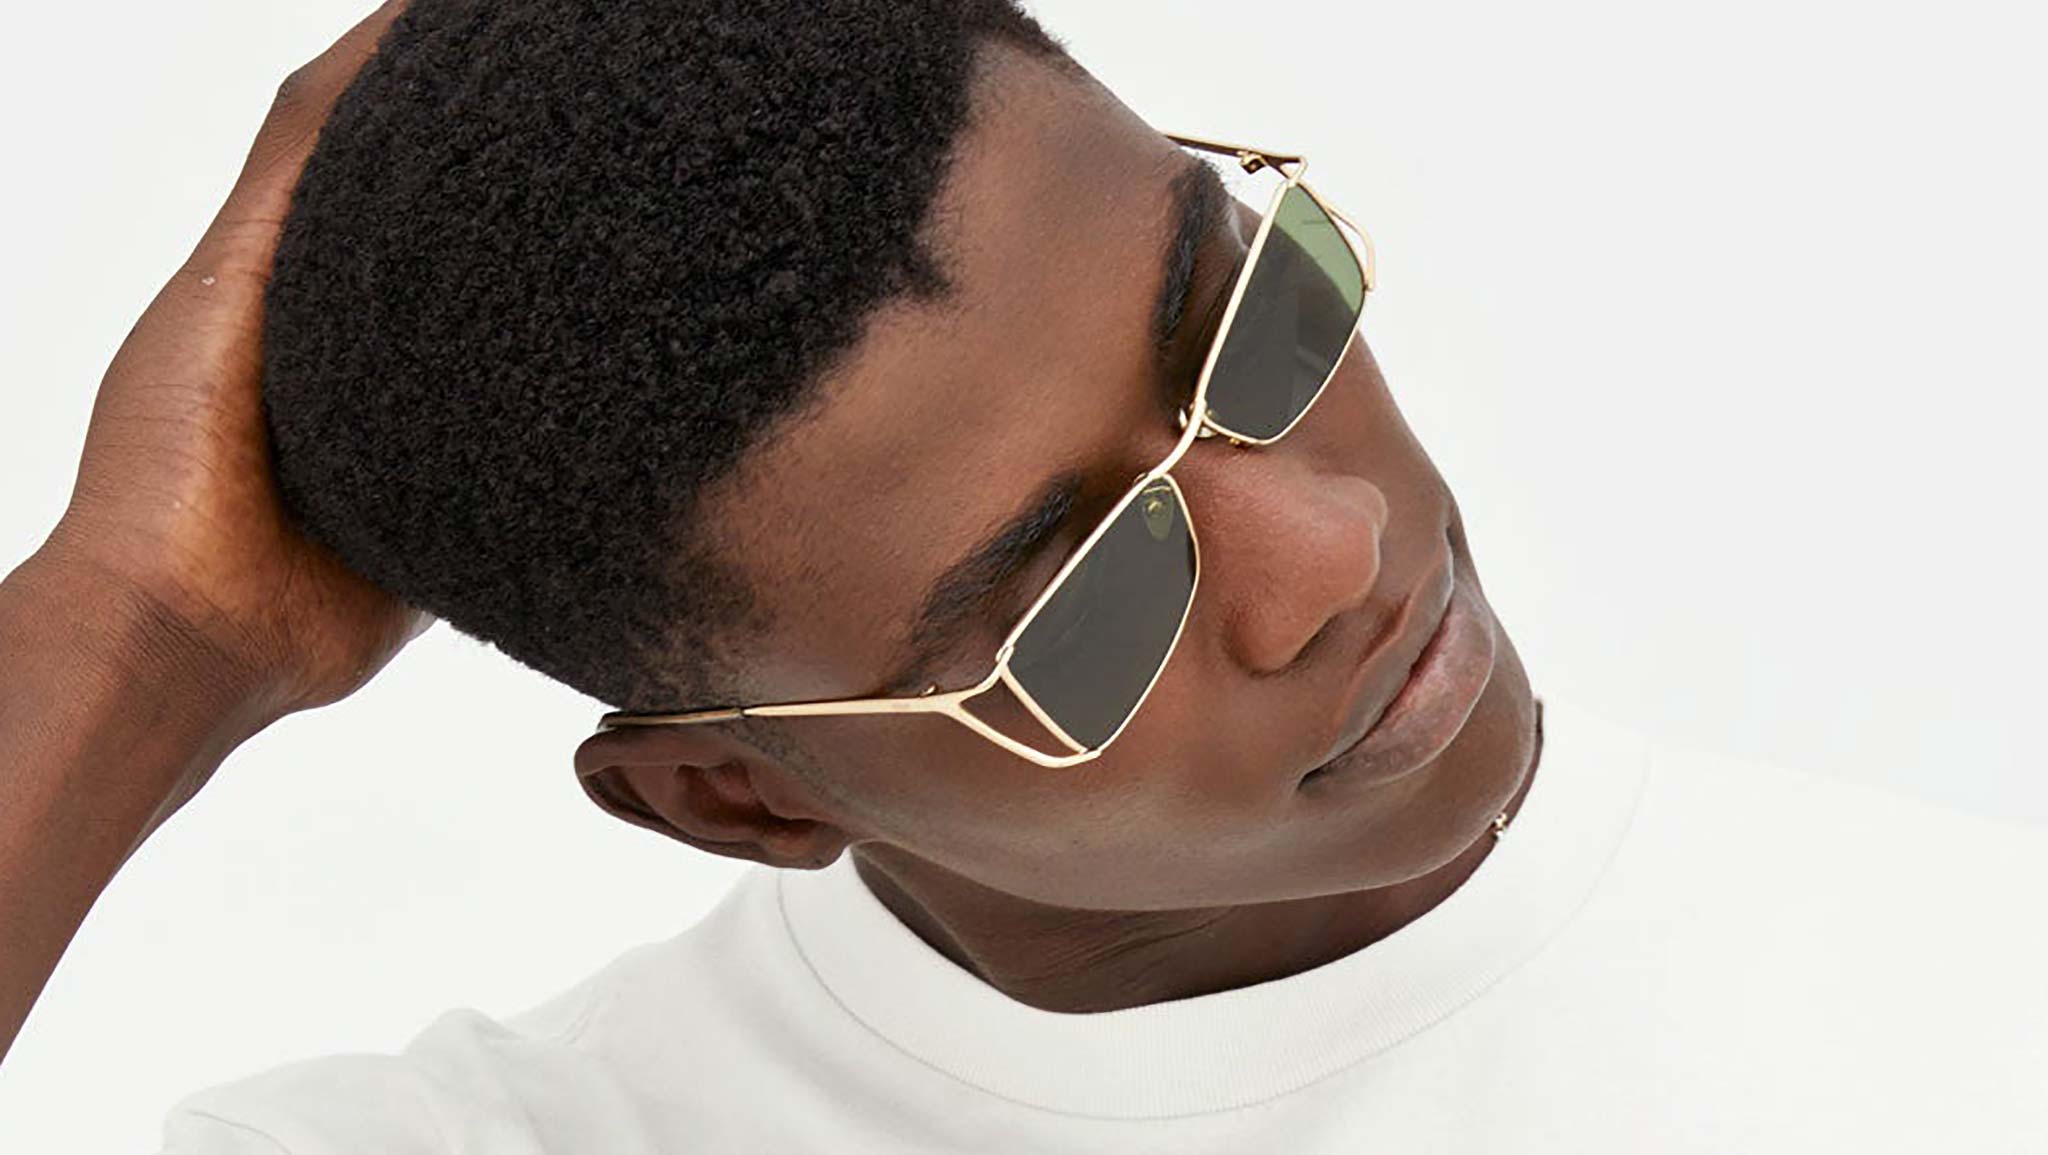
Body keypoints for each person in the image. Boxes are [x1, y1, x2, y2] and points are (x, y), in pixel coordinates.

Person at [1, 0, 2042, 1151]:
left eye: (1242, 319)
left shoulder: (1970, 1020)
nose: (1330, 548)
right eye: (1079, 599)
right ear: (742, 790)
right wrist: (136, 626)